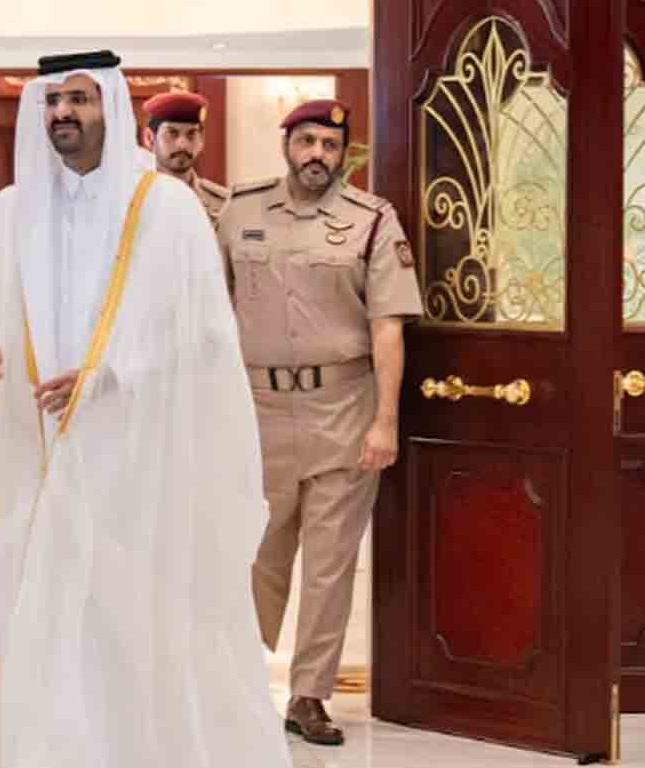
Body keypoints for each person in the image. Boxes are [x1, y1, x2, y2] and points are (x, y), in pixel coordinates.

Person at [0, 50, 291, 768]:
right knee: (39, 621)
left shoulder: (165, 211)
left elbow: (202, 337)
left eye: (80, 99)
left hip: (137, 468)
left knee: (125, 632)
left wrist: (109, 375)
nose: (63, 113)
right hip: (35, 465)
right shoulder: (10, 213)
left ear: (112, 108)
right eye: (53, 101)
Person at [217, 99, 423, 746]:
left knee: (330, 563)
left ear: (343, 152)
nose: (317, 156)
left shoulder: (372, 221)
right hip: (256, 410)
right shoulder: (239, 212)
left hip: (343, 406)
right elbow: (211, 317)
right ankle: (239, 683)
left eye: (330, 145)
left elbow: (387, 328)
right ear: (287, 144)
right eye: (306, 141)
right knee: (257, 554)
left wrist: (385, 421)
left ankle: (308, 695)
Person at [141, 90, 230, 235]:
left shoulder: (224, 203)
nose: (182, 145)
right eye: (172, 133)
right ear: (149, 138)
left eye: (191, 134)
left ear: (201, 140)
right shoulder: (129, 197)